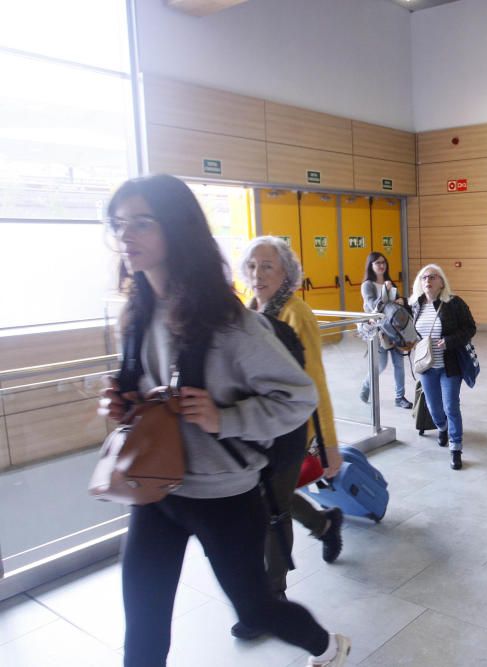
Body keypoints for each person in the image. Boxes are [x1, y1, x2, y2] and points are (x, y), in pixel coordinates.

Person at [98, 175, 350, 667]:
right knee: (144, 624)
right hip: (157, 491)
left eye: (142, 223)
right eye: (118, 224)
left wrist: (224, 416)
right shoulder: (135, 314)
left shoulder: (231, 324)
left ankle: (326, 647)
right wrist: (123, 405)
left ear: (177, 228)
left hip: (223, 496)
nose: (126, 236)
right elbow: (152, 397)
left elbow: (299, 397)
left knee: (256, 606)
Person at [234, 235, 346, 640]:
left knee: (269, 513)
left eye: (267, 266)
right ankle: (325, 523)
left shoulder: (297, 314)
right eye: (251, 265)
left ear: (286, 273)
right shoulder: (246, 312)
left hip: (290, 432)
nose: (257, 274)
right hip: (253, 430)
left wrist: (328, 443)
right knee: (268, 502)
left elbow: (315, 381)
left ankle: (271, 601)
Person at [410, 264, 477, 470]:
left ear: (441, 282)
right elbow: (410, 331)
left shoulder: (454, 303)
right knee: (435, 409)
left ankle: (456, 448)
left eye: (432, 277)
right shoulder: (415, 304)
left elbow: (470, 328)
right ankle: (442, 427)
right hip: (426, 366)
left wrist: (449, 341)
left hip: (450, 365)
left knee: (451, 407)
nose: (427, 281)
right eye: (424, 278)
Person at [359, 252, 412, 408]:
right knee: (380, 365)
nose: (381, 265)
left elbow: (397, 307)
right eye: (377, 263)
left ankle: (400, 397)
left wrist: (402, 301)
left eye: (383, 262)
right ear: (371, 265)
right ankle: (366, 386)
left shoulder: (390, 283)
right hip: (378, 331)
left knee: (399, 364)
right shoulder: (367, 285)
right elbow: (372, 307)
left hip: (395, 330)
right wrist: (384, 291)